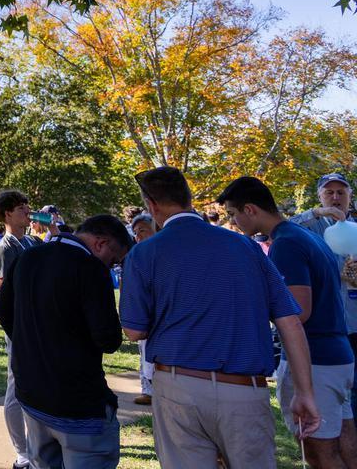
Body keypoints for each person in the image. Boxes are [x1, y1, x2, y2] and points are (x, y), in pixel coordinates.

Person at [120, 166, 321, 468]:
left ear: (152, 205)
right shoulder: (246, 247)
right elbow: (290, 321)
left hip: (178, 384)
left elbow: (134, 331)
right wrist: (305, 392)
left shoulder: (144, 253)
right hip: (243, 389)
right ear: (189, 198)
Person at [221, 175, 357, 468]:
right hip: (336, 356)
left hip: (314, 361)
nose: (233, 222)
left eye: (233, 214)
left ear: (250, 209)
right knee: (345, 444)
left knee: (320, 454)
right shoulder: (306, 236)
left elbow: (298, 311)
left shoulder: (287, 243)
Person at [0, 215, 134, 469]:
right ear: (101, 243)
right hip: (77, 404)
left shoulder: (28, 257)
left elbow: (3, 312)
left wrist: (32, 343)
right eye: (114, 260)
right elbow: (108, 339)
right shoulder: (91, 269)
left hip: (32, 394)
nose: (111, 266)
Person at [290, 172, 357, 418]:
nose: (336, 198)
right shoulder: (311, 227)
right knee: (331, 389)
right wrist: (316, 213)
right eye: (329, 192)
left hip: (355, 320)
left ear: (350, 195)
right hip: (326, 323)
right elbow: (283, 228)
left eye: (341, 192)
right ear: (320, 196)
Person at [0, 189, 42, 469]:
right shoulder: (5, 248)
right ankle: (21, 450)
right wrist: (18, 331)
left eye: (27, 205)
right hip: (19, 327)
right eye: (21, 207)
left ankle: (37, 444)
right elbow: (6, 296)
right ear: (7, 213)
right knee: (15, 387)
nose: (27, 210)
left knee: (35, 384)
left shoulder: (32, 242)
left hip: (38, 325)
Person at [128, 213, 156, 406]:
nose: (138, 236)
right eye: (136, 232)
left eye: (142, 231)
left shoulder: (161, 252)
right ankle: (147, 390)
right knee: (144, 352)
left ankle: (155, 390)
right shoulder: (136, 255)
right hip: (144, 313)